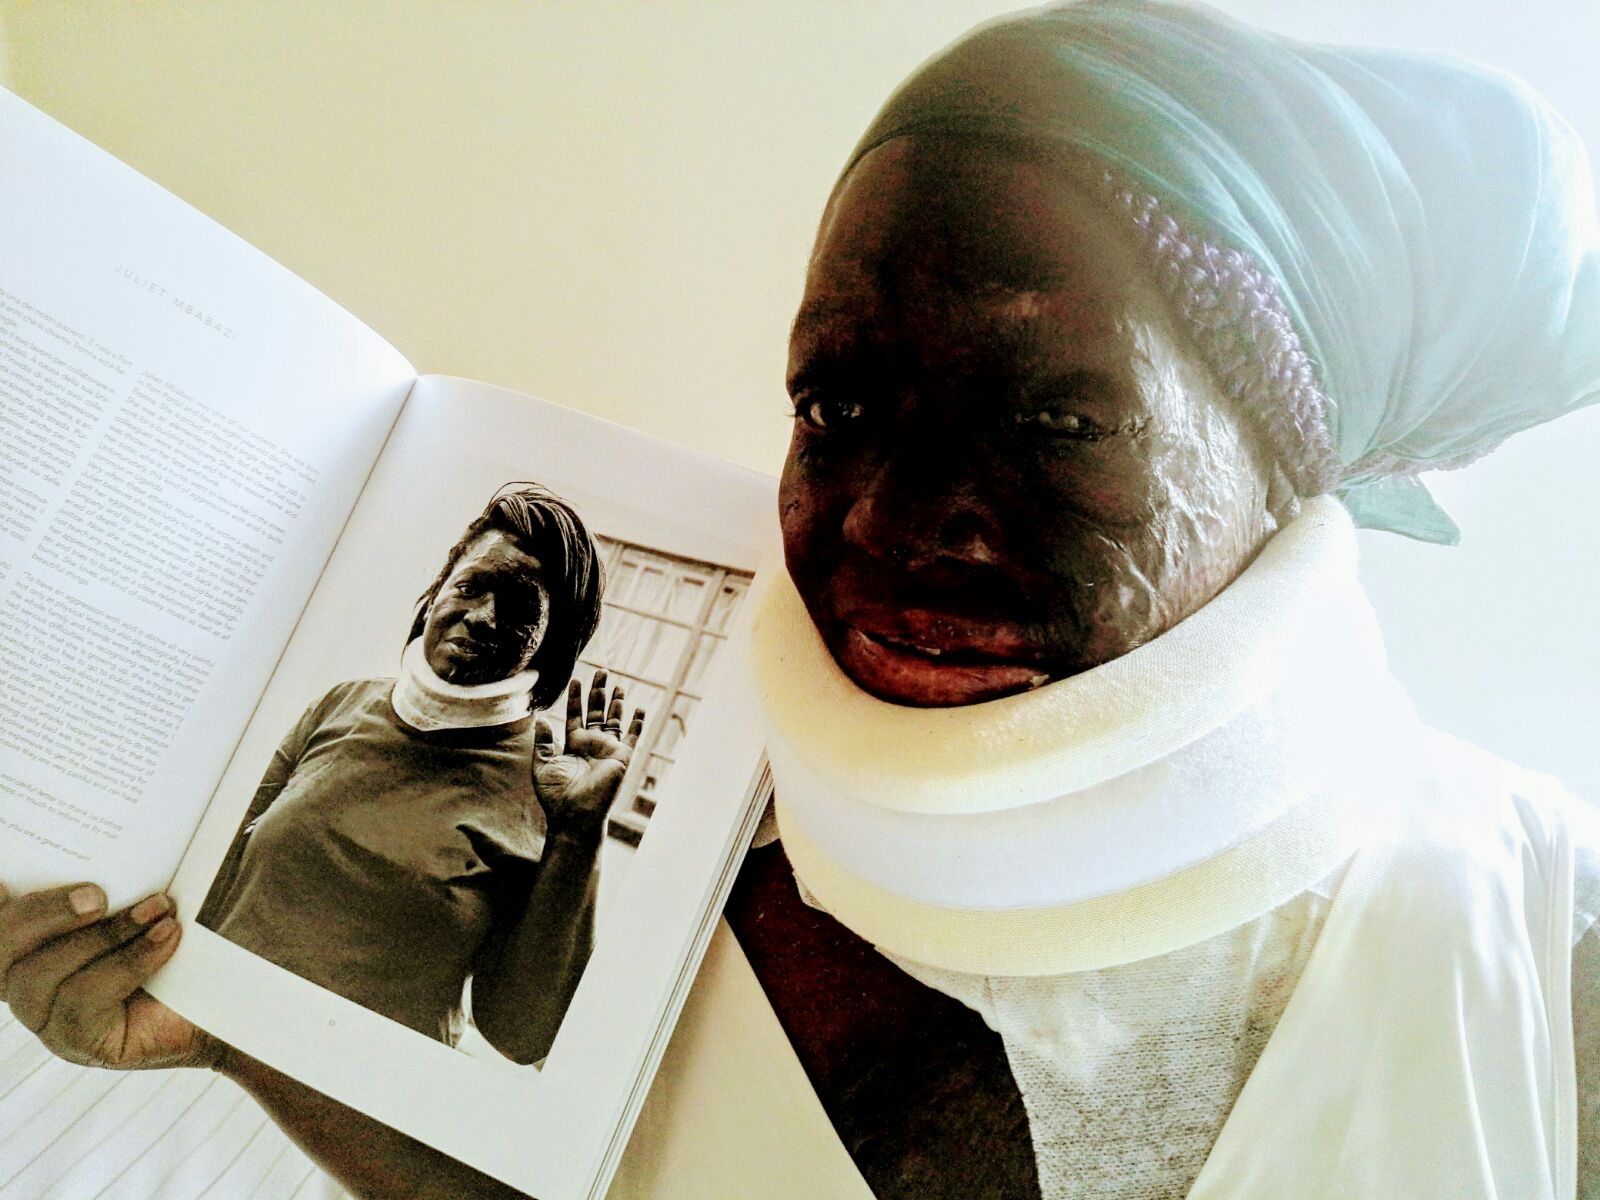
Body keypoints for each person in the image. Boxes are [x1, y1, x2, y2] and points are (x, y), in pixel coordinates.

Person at [3, 3, 1599, 1197]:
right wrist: (237, 1029)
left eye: (1058, 418)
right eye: (835, 405)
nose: (894, 521)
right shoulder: (696, 856)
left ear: (1282, 463)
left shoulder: (1542, 944)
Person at [190, 480, 643, 1063]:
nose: (482, 617)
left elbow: (522, 1035)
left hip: (351, 1090)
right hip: (208, 1040)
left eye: (520, 608)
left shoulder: (550, 785)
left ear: (549, 648)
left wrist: (578, 832)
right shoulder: (341, 704)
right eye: (471, 587)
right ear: (435, 595)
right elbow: (214, 870)